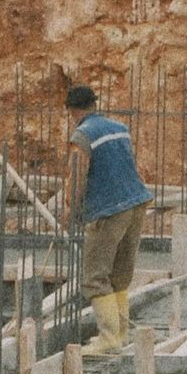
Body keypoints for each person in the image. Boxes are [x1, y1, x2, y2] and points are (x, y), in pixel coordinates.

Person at [65, 84, 154, 355]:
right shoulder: (119, 128)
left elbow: (78, 176)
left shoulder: (82, 135)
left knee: (95, 275)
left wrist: (71, 209)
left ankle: (109, 339)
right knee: (120, 274)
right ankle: (122, 334)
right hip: (137, 202)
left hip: (109, 209)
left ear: (73, 111)